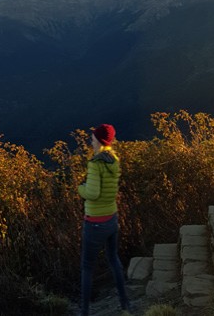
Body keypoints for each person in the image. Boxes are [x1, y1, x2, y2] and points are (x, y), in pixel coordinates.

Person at [79, 124, 130, 316]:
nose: (91, 141)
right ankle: (125, 303)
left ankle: (84, 311)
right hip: (111, 219)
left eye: (92, 138)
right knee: (114, 260)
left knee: (87, 266)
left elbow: (91, 193)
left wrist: (79, 189)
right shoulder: (114, 160)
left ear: (100, 141)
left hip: (95, 222)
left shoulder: (95, 164)